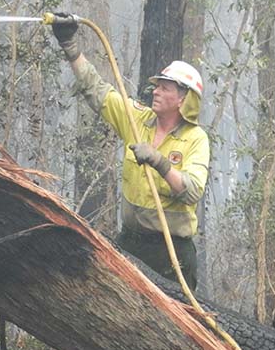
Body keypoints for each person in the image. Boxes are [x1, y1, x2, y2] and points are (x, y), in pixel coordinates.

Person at [51, 15, 209, 291]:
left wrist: (159, 162)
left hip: (171, 255)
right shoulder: (136, 120)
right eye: (156, 86)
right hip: (131, 246)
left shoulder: (195, 139)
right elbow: (97, 90)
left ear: (183, 99)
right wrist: (70, 46)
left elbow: (192, 191)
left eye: (164, 87)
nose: (155, 91)